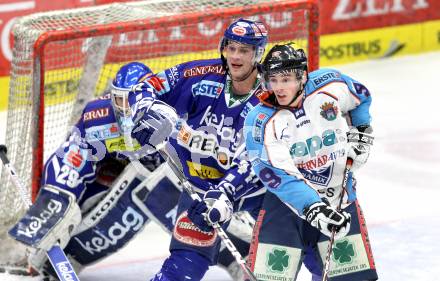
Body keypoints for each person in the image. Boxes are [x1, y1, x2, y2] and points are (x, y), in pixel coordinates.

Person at [7, 62, 251, 281]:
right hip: (111, 187)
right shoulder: (97, 117)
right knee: (99, 187)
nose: (127, 109)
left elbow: (207, 161)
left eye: (133, 100)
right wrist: (56, 202)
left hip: (165, 188)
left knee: (175, 195)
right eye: (121, 100)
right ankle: (57, 255)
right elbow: (70, 160)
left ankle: (239, 256)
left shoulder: (175, 118)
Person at [127, 18, 268, 281]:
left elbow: (257, 160)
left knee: (282, 262)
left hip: (259, 191)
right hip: (203, 190)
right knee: (182, 269)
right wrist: (147, 108)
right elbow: (146, 86)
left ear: (258, 54)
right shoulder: (199, 75)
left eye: (244, 50)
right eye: (231, 48)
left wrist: (226, 192)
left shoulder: (271, 96)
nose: (235, 57)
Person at [244, 43, 378, 281]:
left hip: (339, 200)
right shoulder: (260, 120)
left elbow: (362, 97)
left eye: (286, 79)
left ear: (302, 76)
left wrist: (362, 131)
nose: (279, 87)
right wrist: (314, 207)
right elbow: (276, 174)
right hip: (285, 210)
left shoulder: (330, 85)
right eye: (273, 79)